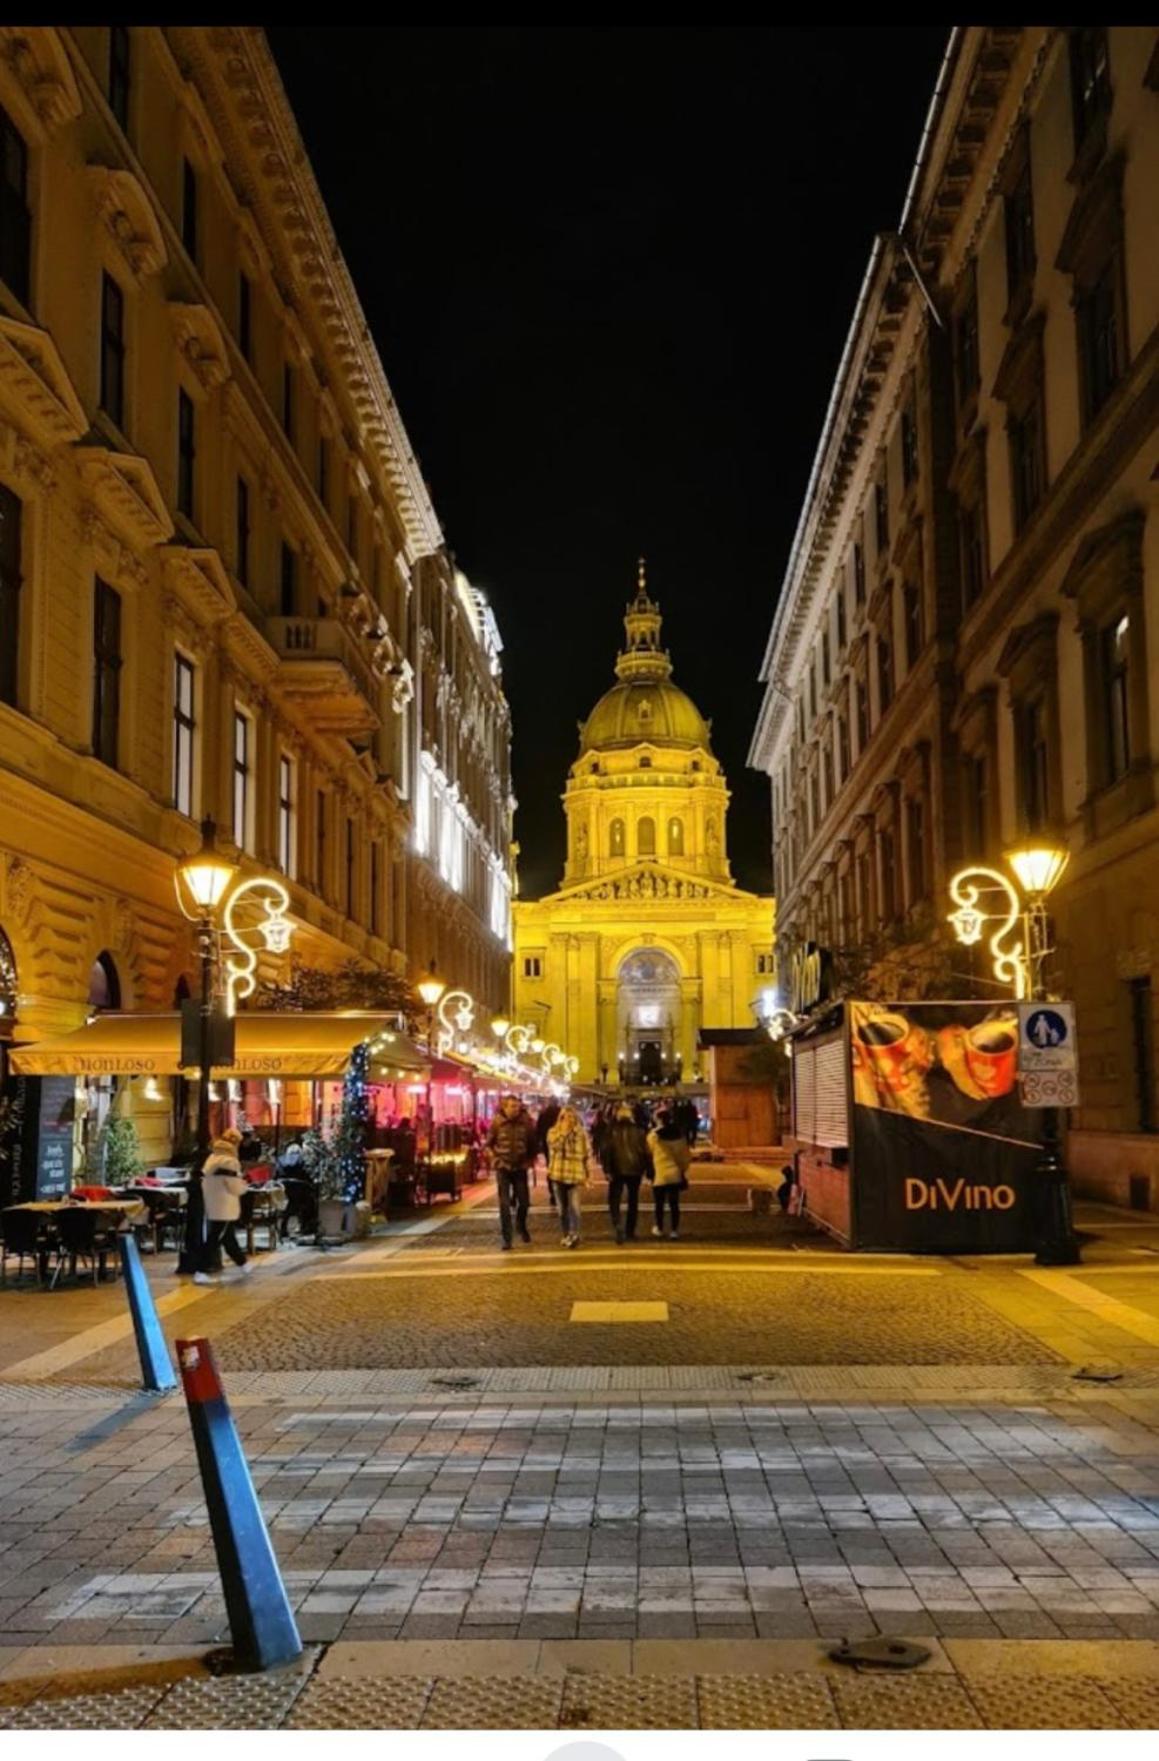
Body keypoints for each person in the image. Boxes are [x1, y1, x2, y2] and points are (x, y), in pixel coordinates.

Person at [196, 1127, 251, 1284]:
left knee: (226, 1236)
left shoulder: (212, 1158)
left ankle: (243, 1264)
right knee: (216, 1237)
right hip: (225, 1204)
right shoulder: (230, 1161)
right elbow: (234, 1185)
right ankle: (201, 1270)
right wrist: (244, 1185)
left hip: (213, 1202)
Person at [486, 1093, 537, 1249]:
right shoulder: (497, 1123)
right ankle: (506, 1238)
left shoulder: (526, 1123)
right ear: (505, 1107)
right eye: (512, 1106)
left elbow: (533, 1144)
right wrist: (495, 1160)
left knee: (524, 1202)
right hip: (503, 1168)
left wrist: (530, 1160)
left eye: (517, 1106)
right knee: (504, 1204)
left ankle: (520, 1225)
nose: (515, 1109)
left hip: (520, 1167)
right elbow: (488, 1144)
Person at [600, 1102, 650, 1244]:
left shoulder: (611, 1130)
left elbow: (606, 1151)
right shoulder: (639, 1131)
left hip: (616, 1169)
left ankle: (617, 1224)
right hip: (635, 1169)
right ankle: (630, 1230)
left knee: (614, 1199)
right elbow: (646, 1152)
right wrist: (647, 1170)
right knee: (633, 1200)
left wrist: (607, 1169)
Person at [546, 1105, 592, 1249]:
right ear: (560, 1118)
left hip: (574, 1175)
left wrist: (588, 1175)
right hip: (558, 1173)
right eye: (565, 1117)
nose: (569, 1120)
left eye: (572, 1117)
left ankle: (575, 1234)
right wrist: (564, 1133)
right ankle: (566, 1234)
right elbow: (554, 1146)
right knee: (562, 1209)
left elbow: (587, 1154)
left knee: (575, 1208)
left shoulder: (581, 1133)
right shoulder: (553, 1132)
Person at [647, 1106, 691, 1241]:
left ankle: (659, 1228)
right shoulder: (679, 1136)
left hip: (659, 1173)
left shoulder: (653, 1136)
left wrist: (649, 1172)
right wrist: (682, 1170)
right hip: (675, 1173)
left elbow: (648, 1154)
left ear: (659, 1119)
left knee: (659, 1203)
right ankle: (674, 1230)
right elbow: (685, 1157)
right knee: (674, 1204)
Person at [535, 1098, 561, 1208]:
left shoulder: (543, 1114)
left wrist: (539, 1145)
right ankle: (559, 1192)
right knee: (560, 1168)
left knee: (551, 1168)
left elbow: (538, 1130)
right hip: (560, 1145)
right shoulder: (561, 1113)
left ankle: (553, 1193)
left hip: (548, 1145)